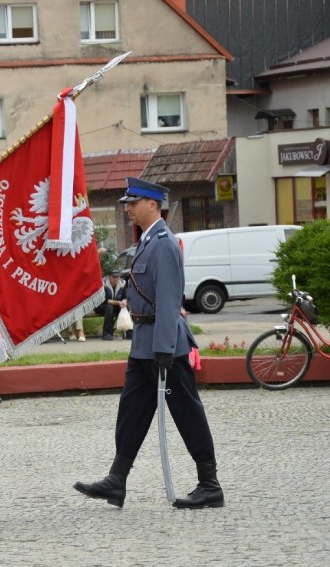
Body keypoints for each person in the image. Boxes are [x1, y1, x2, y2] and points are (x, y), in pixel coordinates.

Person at [73, 177, 224, 510]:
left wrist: (164, 349)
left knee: (187, 413)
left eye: (133, 202)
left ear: (153, 204)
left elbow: (170, 301)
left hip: (164, 345)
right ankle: (117, 480)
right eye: (127, 202)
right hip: (143, 343)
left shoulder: (164, 243)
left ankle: (210, 484)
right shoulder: (146, 241)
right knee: (131, 412)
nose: (127, 208)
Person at [95, 268, 128, 340]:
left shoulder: (123, 283)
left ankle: (129, 331)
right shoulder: (102, 283)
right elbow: (104, 300)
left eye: (117, 277)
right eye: (114, 277)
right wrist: (118, 302)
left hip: (116, 305)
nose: (116, 279)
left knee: (127, 307)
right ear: (109, 277)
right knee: (109, 307)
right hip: (101, 305)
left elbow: (125, 297)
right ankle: (107, 333)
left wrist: (124, 301)